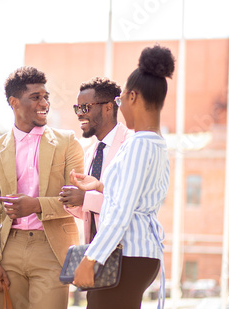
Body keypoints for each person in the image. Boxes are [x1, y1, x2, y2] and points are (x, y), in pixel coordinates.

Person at [71, 44, 175, 309]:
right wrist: (101, 185)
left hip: (128, 254)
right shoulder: (154, 143)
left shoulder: (139, 144)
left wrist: (91, 258)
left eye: (119, 101)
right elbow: (138, 194)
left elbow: (120, 212)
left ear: (132, 97)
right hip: (138, 255)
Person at [0, 66, 84, 309]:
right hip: (9, 249)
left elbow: (76, 200)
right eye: (35, 97)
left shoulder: (67, 142)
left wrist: (34, 205)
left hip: (52, 248)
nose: (44, 102)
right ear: (14, 102)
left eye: (45, 96)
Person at [59, 77, 131, 245]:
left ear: (108, 107)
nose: (79, 114)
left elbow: (127, 206)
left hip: (124, 252)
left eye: (85, 107)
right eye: (77, 108)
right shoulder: (91, 152)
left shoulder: (130, 145)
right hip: (94, 252)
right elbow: (90, 213)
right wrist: (72, 201)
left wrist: (85, 198)